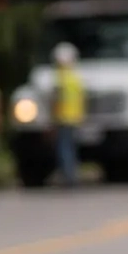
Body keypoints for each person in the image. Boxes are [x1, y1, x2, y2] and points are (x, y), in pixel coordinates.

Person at [52, 42, 85, 187]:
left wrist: (52, 118)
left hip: (63, 118)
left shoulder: (61, 78)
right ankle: (73, 175)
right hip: (75, 118)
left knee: (64, 149)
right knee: (72, 149)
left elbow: (56, 100)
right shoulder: (75, 77)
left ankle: (67, 177)